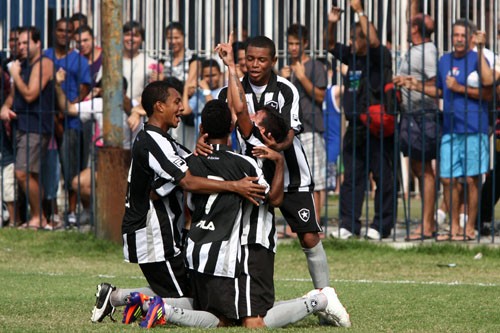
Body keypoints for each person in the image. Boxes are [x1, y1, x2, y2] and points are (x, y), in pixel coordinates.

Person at [115, 96, 350, 329]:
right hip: (243, 252)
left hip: (201, 253)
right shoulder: (245, 164)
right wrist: (279, 163)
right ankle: (320, 300)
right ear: (231, 128)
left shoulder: (189, 162)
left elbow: (157, 192)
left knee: (219, 316)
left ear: (201, 129)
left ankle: (149, 305)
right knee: (251, 322)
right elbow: (276, 199)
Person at [91, 80, 266, 323]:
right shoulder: (153, 141)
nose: (182, 108)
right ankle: (122, 299)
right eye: (176, 102)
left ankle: (116, 297)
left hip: (162, 232)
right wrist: (235, 186)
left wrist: (199, 150)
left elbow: (190, 163)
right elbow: (189, 181)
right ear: (159, 106)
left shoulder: (164, 140)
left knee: (182, 293)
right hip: (152, 233)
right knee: (192, 301)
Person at [216, 35, 332, 293]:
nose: (255, 65)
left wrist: (276, 149)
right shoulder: (230, 90)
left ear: (273, 61)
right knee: (248, 238)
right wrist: (204, 142)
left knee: (309, 236)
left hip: (291, 172)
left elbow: (290, 131)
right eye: (250, 59)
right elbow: (223, 126)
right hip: (253, 174)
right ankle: (243, 296)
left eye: (261, 60)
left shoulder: (285, 89)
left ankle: (326, 300)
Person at [408, 19, 494, 241]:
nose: (458, 39)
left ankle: (469, 227)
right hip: (449, 128)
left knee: (473, 179)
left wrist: (481, 50)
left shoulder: (479, 58)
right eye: (455, 35)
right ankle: (453, 226)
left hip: (475, 128)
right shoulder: (444, 60)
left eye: (463, 36)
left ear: (471, 38)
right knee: (447, 178)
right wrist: (415, 85)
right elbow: (438, 91)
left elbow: (487, 87)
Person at [328, 0, 397, 240]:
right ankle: (349, 224)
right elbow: (329, 45)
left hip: (378, 129)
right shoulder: (352, 58)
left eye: (355, 38)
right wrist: (331, 23)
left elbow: (375, 41)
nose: (351, 42)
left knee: (383, 178)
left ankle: (381, 225)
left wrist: (359, 11)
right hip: (355, 127)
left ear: (365, 39)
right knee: (353, 178)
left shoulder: (380, 56)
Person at [0, 26, 54, 230]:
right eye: (19, 43)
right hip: (21, 125)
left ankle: (39, 217)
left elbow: (31, 93)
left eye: (25, 43)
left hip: (37, 125)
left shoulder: (44, 63)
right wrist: (5, 107)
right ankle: (37, 216)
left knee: (22, 172)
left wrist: (15, 73)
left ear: (38, 43)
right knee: (30, 173)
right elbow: (13, 95)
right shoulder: (22, 65)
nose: (21, 47)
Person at [393, 12, 440, 241]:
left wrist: (411, 84)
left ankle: (428, 224)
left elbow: (434, 85)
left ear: (414, 29)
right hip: (411, 114)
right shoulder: (416, 49)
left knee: (424, 169)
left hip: (423, 115)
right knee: (416, 167)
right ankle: (427, 221)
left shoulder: (428, 52)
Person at [44, 17, 91, 226]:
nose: (64, 34)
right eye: (61, 30)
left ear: (73, 35)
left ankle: (72, 211)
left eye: (68, 31)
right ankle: (52, 211)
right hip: (46, 120)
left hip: (72, 122)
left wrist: (68, 106)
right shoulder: (46, 56)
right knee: (48, 168)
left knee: (71, 167)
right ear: (55, 31)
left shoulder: (79, 60)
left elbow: (85, 88)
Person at [281, 23, 328, 223]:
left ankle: (316, 221)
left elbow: (321, 96)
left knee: (316, 179)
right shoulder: (285, 69)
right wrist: (281, 80)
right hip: (290, 132)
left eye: (296, 44)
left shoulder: (315, 66)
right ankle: (301, 220)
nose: (293, 48)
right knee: (296, 179)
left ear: (305, 43)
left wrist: (301, 77)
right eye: (290, 43)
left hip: (311, 129)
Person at [162, 22, 200, 146]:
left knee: (185, 145)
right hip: (167, 107)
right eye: (170, 38)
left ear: (183, 37)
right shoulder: (164, 60)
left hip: (185, 106)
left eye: (176, 37)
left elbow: (191, 84)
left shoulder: (193, 59)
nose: (173, 41)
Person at [181, 59, 223, 150]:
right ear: (202, 77)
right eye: (207, 76)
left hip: (218, 142)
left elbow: (214, 109)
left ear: (220, 74)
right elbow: (185, 111)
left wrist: (206, 90)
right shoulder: (200, 93)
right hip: (200, 142)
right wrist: (186, 88)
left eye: (213, 75)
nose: (211, 79)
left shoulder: (223, 91)